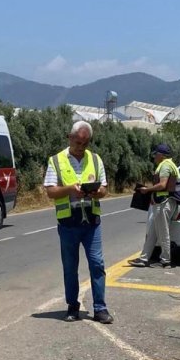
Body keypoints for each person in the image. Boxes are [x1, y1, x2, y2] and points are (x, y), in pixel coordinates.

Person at [44, 121, 113, 324]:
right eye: (77, 142)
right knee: (70, 266)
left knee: (97, 264)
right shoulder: (56, 160)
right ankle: (72, 306)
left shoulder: (95, 159)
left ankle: (100, 308)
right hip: (68, 223)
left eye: (85, 143)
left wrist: (96, 191)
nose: (81, 147)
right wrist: (69, 189)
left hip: (91, 221)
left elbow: (104, 190)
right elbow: (50, 191)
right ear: (69, 137)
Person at [128, 143, 180, 268]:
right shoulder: (169, 164)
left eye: (155, 154)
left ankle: (165, 260)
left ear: (161, 155)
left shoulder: (165, 166)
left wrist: (148, 190)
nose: (154, 157)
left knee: (163, 232)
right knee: (152, 232)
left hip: (164, 202)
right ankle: (144, 258)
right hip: (161, 202)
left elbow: (162, 185)